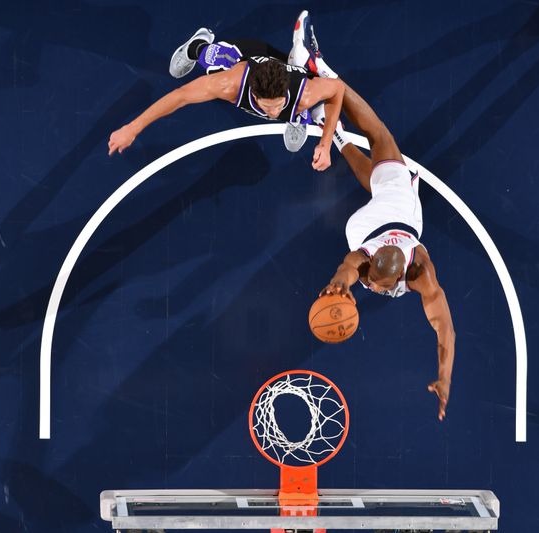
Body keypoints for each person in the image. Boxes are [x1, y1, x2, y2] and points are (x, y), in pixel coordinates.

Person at [294, 13, 455, 421]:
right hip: (383, 212)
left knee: (383, 161)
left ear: (403, 269)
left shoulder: (420, 271)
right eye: (373, 283)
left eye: (373, 284)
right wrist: (338, 286)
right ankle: (327, 88)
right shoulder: (370, 263)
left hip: (373, 220)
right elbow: (348, 270)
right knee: (380, 145)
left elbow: (445, 331)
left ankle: (332, 92)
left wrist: (444, 375)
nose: (372, 286)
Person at [107, 27, 345, 170]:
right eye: (267, 107)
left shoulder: (305, 93)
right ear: (253, 93)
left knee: (297, 104)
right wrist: (132, 127)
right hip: (241, 56)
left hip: (279, 67)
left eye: (278, 105)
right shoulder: (229, 84)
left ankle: (295, 115)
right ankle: (196, 45)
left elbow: (337, 90)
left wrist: (325, 145)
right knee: (213, 61)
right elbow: (181, 97)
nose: (272, 113)